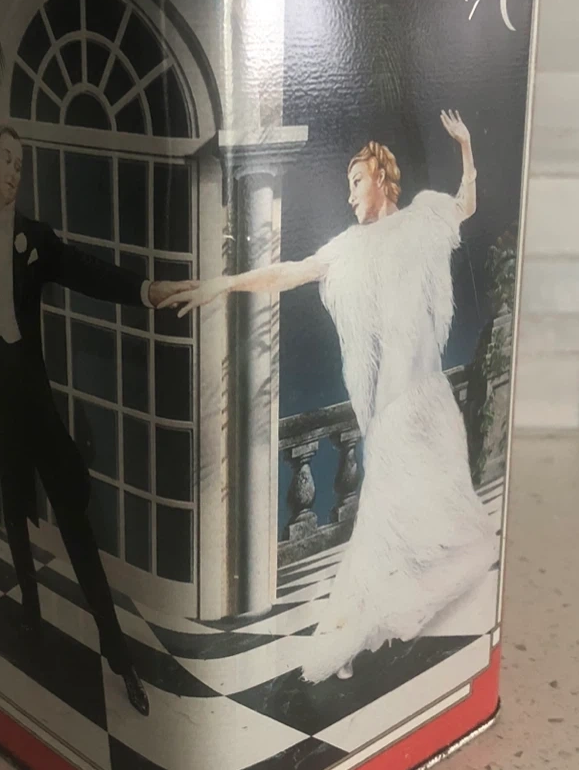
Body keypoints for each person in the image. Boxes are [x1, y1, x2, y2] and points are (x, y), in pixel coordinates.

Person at [161, 111, 497, 684]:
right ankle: (351, 640)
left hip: (435, 406)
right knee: (381, 531)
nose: (350, 194)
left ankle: (387, 632)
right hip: (393, 419)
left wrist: (466, 146)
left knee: (450, 524)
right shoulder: (347, 249)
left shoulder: (422, 218)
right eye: (347, 184)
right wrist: (219, 285)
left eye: (357, 181)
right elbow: (288, 272)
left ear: (382, 178)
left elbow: (465, 203)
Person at [0, 125, 196, 716]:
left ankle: (120, 659)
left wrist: (148, 290)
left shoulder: (36, 239)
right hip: (0, 402)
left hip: (35, 400)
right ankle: (31, 618)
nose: (13, 173)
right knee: (15, 517)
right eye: (6, 161)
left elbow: (87, 271)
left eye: (19, 165)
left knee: (76, 528)